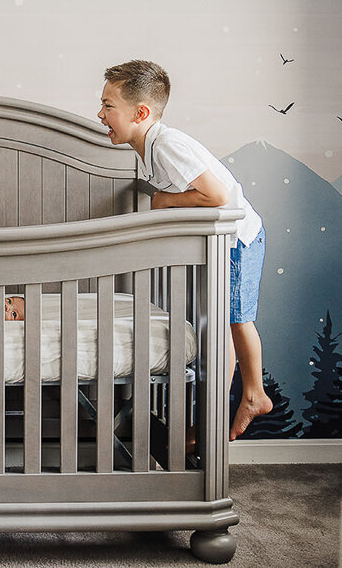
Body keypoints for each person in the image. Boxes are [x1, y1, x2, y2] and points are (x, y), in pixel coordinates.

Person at [97, 60, 270, 440]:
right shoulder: (150, 146)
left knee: (236, 320)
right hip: (222, 240)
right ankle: (209, 420)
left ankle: (254, 393)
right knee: (222, 325)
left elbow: (217, 194)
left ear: (141, 113)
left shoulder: (167, 145)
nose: (101, 113)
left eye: (109, 105)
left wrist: (165, 202)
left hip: (237, 237)